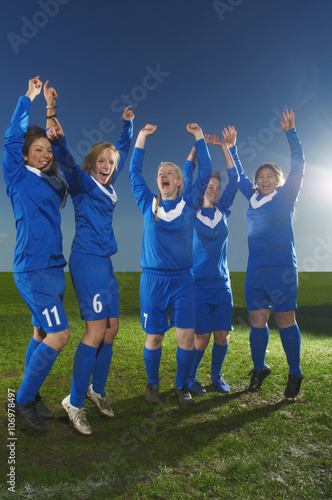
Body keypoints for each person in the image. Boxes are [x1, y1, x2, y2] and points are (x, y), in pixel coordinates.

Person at [46, 88, 134, 434]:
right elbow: (66, 162)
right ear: (92, 163)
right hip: (86, 261)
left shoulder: (110, 184)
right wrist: (59, 137)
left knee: (111, 329)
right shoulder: (83, 183)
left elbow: (122, 152)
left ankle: (97, 390)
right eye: (102, 161)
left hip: (104, 262)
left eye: (111, 164)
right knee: (96, 330)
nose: (108, 166)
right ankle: (74, 400)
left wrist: (127, 126)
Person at [2, 76, 70, 432]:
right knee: (60, 334)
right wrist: (28, 97)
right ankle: (23, 401)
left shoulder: (52, 182)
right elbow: (12, 136)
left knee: (41, 334)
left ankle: (32, 394)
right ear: (26, 154)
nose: (44, 154)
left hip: (54, 268)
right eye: (38, 149)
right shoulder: (16, 175)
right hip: (33, 269)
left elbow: (60, 146)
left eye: (47, 150)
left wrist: (52, 109)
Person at [129, 123, 212, 406]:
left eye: (170, 173)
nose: (163, 175)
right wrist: (141, 137)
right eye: (160, 173)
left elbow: (206, 172)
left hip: (183, 281)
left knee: (186, 337)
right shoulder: (147, 203)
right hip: (153, 281)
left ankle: (181, 385)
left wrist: (199, 138)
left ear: (178, 182)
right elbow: (133, 173)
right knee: (154, 338)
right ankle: (152, 384)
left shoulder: (189, 204)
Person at [225, 109, 305, 399]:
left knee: (285, 320)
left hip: (282, 269)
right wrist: (232, 148)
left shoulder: (285, 197)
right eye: (261, 176)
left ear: (279, 181)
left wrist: (291, 133)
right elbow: (238, 175)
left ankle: (295, 373)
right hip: (255, 270)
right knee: (257, 321)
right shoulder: (253, 197)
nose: (264, 179)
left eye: (270, 176)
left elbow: (298, 167)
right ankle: (260, 369)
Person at [182, 134, 238, 394]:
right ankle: (190, 377)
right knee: (201, 337)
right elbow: (186, 182)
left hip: (222, 286)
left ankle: (216, 376)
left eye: (217, 187)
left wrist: (226, 147)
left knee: (222, 336)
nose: (214, 191)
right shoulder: (191, 212)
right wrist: (193, 154)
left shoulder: (223, 210)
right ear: (203, 187)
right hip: (198, 286)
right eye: (210, 186)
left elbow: (235, 180)